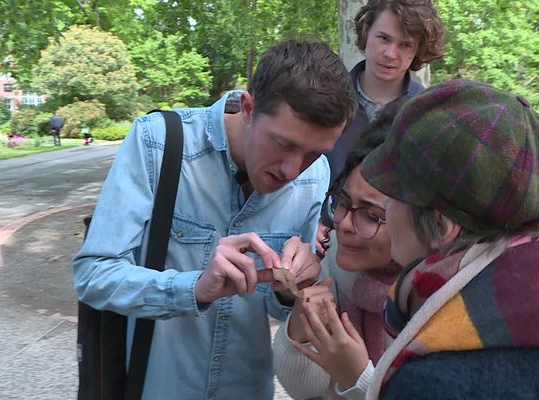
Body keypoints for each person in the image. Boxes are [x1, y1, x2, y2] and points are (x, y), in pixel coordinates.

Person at [72, 38, 357, 399]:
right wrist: (191, 288)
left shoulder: (314, 177)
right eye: (283, 144)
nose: (292, 169)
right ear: (249, 109)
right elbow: (93, 273)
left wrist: (290, 290)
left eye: (313, 153)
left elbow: (275, 306)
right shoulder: (157, 144)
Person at [294, 80, 539, 399]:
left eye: (390, 198)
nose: (387, 209)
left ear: (439, 224)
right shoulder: (534, 299)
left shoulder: (432, 378)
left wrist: (361, 382)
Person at [273, 104, 403, 400]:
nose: (343, 224)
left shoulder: (434, 299)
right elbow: (306, 388)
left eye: (370, 215)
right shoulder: (338, 266)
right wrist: (299, 327)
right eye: (343, 202)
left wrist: (358, 379)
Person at [317, 0, 445, 256]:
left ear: (417, 49)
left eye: (405, 44)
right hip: (320, 248)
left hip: (395, 259)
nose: (390, 53)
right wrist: (311, 222)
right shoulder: (323, 97)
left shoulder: (428, 115)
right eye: (384, 38)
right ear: (366, 32)